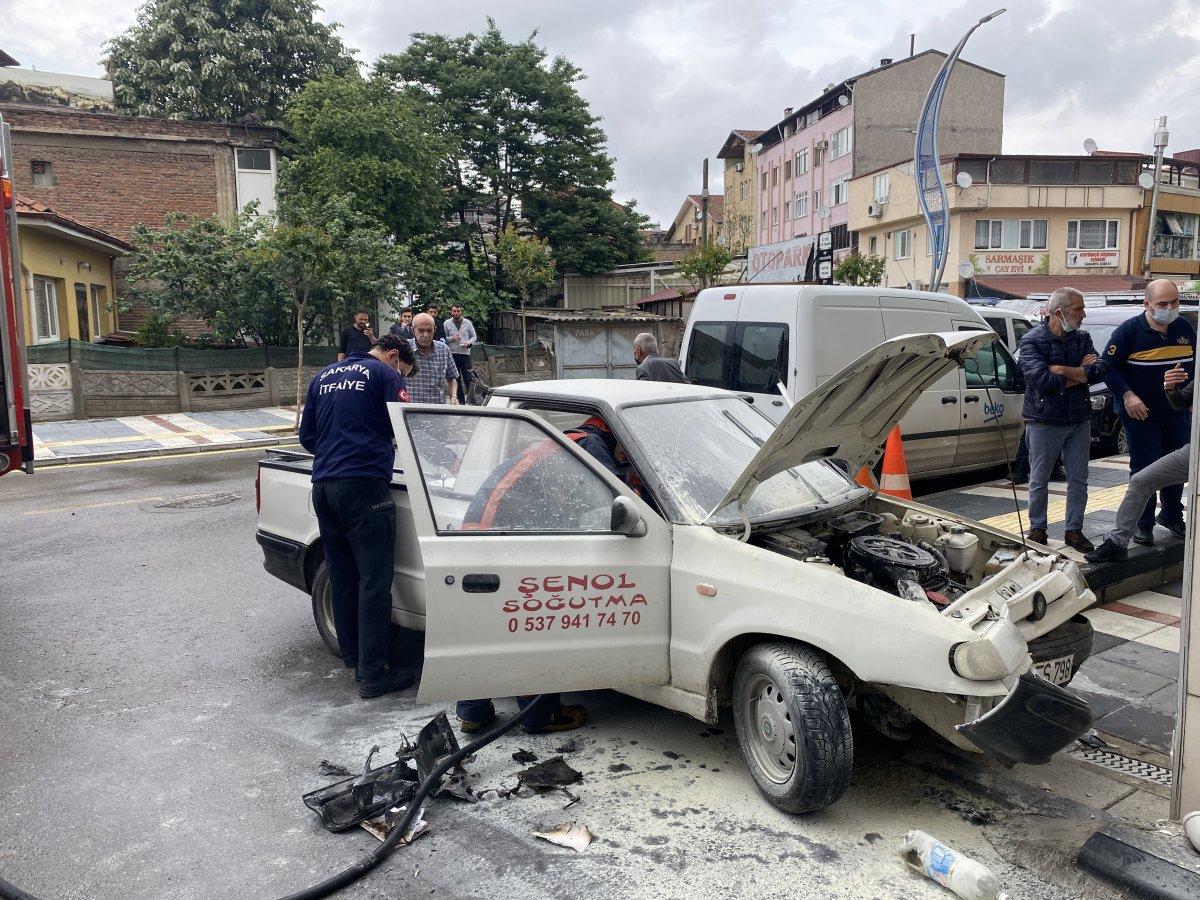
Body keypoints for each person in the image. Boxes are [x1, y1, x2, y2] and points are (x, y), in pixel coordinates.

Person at [454, 416, 627, 735]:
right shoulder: (591, 446)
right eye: (625, 455)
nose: (625, 462)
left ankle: (472, 712)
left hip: (478, 532)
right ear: (612, 433)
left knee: (487, 626)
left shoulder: (565, 443)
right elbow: (617, 500)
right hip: (506, 537)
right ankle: (540, 714)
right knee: (532, 625)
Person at [299, 334, 418, 699]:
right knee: (374, 580)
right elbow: (408, 429)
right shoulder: (384, 376)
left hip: (324, 488)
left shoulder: (324, 376)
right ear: (395, 357)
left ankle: (351, 656)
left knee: (343, 574)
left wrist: (340, 449)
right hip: (364, 488)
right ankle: (372, 674)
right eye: (405, 372)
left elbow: (307, 437)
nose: (403, 377)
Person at [1102, 279, 1195, 544]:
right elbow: (1108, 367)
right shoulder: (1129, 332)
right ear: (1147, 304)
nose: (1169, 308)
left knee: (1177, 468)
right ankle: (1143, 525)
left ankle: (1171, 515)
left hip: (1177, 410)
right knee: (1145, 469)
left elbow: (1195, 362)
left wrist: (1189, 397)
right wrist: (1128, 395)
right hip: (1141, 413)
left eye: (1174, 302)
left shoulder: (1184, 327)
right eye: (1162, 304)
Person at [1016, 287, 1107, 551]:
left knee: (1079, 477)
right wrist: (1079, 374)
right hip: (1043, 420)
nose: (1084, 315)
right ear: (1060, 312)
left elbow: (1099, 370)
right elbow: (1039, 379)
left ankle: (1074, 531)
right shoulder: (1032, 340)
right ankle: (1037, 530)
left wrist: (1062, 370)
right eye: (1079, 309)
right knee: (1039, 478)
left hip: (1078, 418)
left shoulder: (1082, 338)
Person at [1087, 363, 1193, 562]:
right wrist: (1171, 388)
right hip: (1194, 452)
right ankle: (1117, 542)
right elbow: (1181, 402)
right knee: (1140, 480)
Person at [407, 313, 460, 404]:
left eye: (429, 330)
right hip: (410, 411)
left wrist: (453, 396)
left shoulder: (443, 350)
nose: (426, 335)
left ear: (434, 329)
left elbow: (451, 379)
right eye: (421, 331)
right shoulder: (404, 350)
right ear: (413, 331)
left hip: (437, 411)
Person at [444, 305, 477, 403]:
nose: (456, 313)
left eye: (458, 311)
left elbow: (474, 336)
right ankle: (460, 400)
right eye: (454, 311)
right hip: (452, 354)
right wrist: (451, 339)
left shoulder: (467, 323)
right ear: (451, 312)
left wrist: (469, 343)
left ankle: (472, 400)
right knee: (456, 378)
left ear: (461, 312)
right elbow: (443, 338)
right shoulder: (447, 323)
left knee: (468, 378)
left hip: (465, 353)